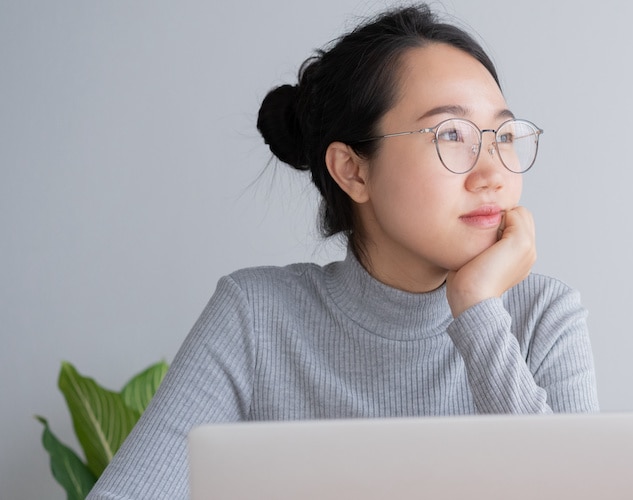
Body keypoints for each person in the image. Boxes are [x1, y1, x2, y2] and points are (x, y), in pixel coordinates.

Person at [88, 5, 598, 498]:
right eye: (451, 135)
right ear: (353, 170)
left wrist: (478, 309)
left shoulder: (543, 317)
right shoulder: (255, 317)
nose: (492, 173)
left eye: (503, 136)